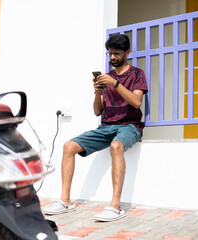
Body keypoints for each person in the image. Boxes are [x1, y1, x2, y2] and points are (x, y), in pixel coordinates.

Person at [43, 33, 148, 222]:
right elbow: (97, 111)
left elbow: (136, 102)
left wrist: (115, 84)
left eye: (117, 53)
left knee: (116, 146)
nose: (113, 57)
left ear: (127, 53)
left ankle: (115, 206)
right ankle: (66, 200)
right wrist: (98, 93)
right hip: (106, 127)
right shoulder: (105, 78)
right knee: (68, 146)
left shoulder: (136, 74)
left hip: (129, 125)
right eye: (110, 53)